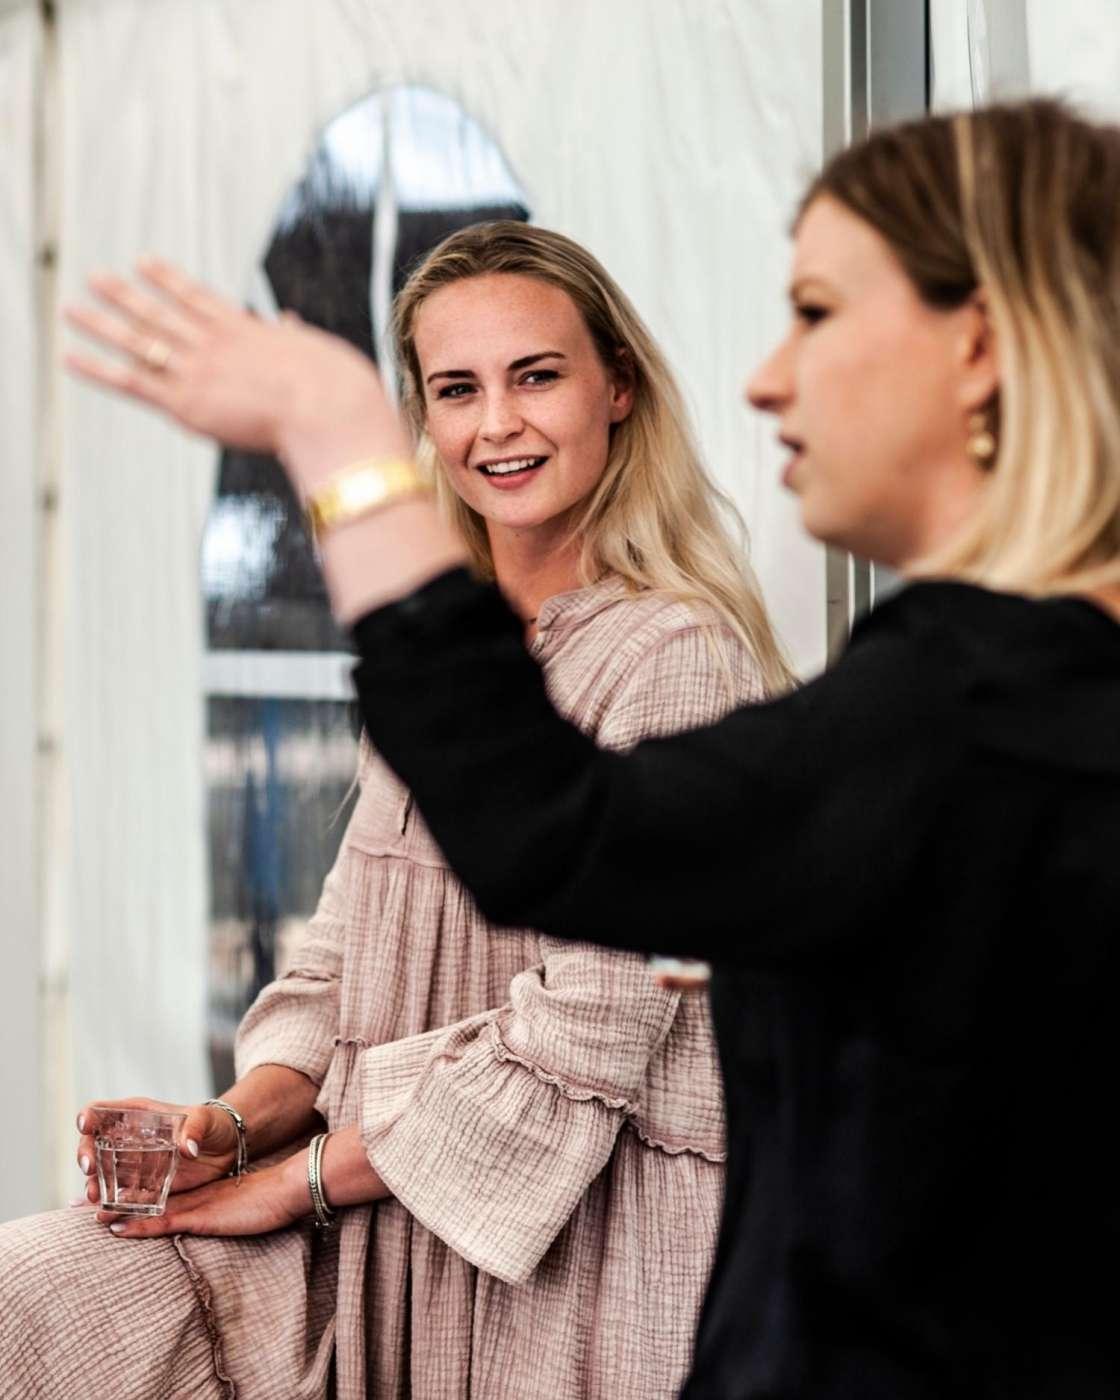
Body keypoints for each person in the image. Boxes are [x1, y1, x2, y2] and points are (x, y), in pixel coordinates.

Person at [48, 98, 1120, 1397]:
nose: (767, 375)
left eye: (819, 313)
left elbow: (548, 847)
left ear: (982, 348)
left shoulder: (798, 682)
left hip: (561, 1278)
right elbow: (370, 924)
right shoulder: (961, 703)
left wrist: (338, 445)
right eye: (452, 391)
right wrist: (232, 1120)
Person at [0, 223, 792, 1399]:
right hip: (385, 1204)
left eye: (536, 375)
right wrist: (224, 1126)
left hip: (573, 1240)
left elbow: (585, 1037)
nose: (496, 426)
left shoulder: (670, 654)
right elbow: (343, 953)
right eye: (455, 389)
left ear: (617, 385)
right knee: (43, 1289)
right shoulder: (452, 654)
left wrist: (294, 1178)